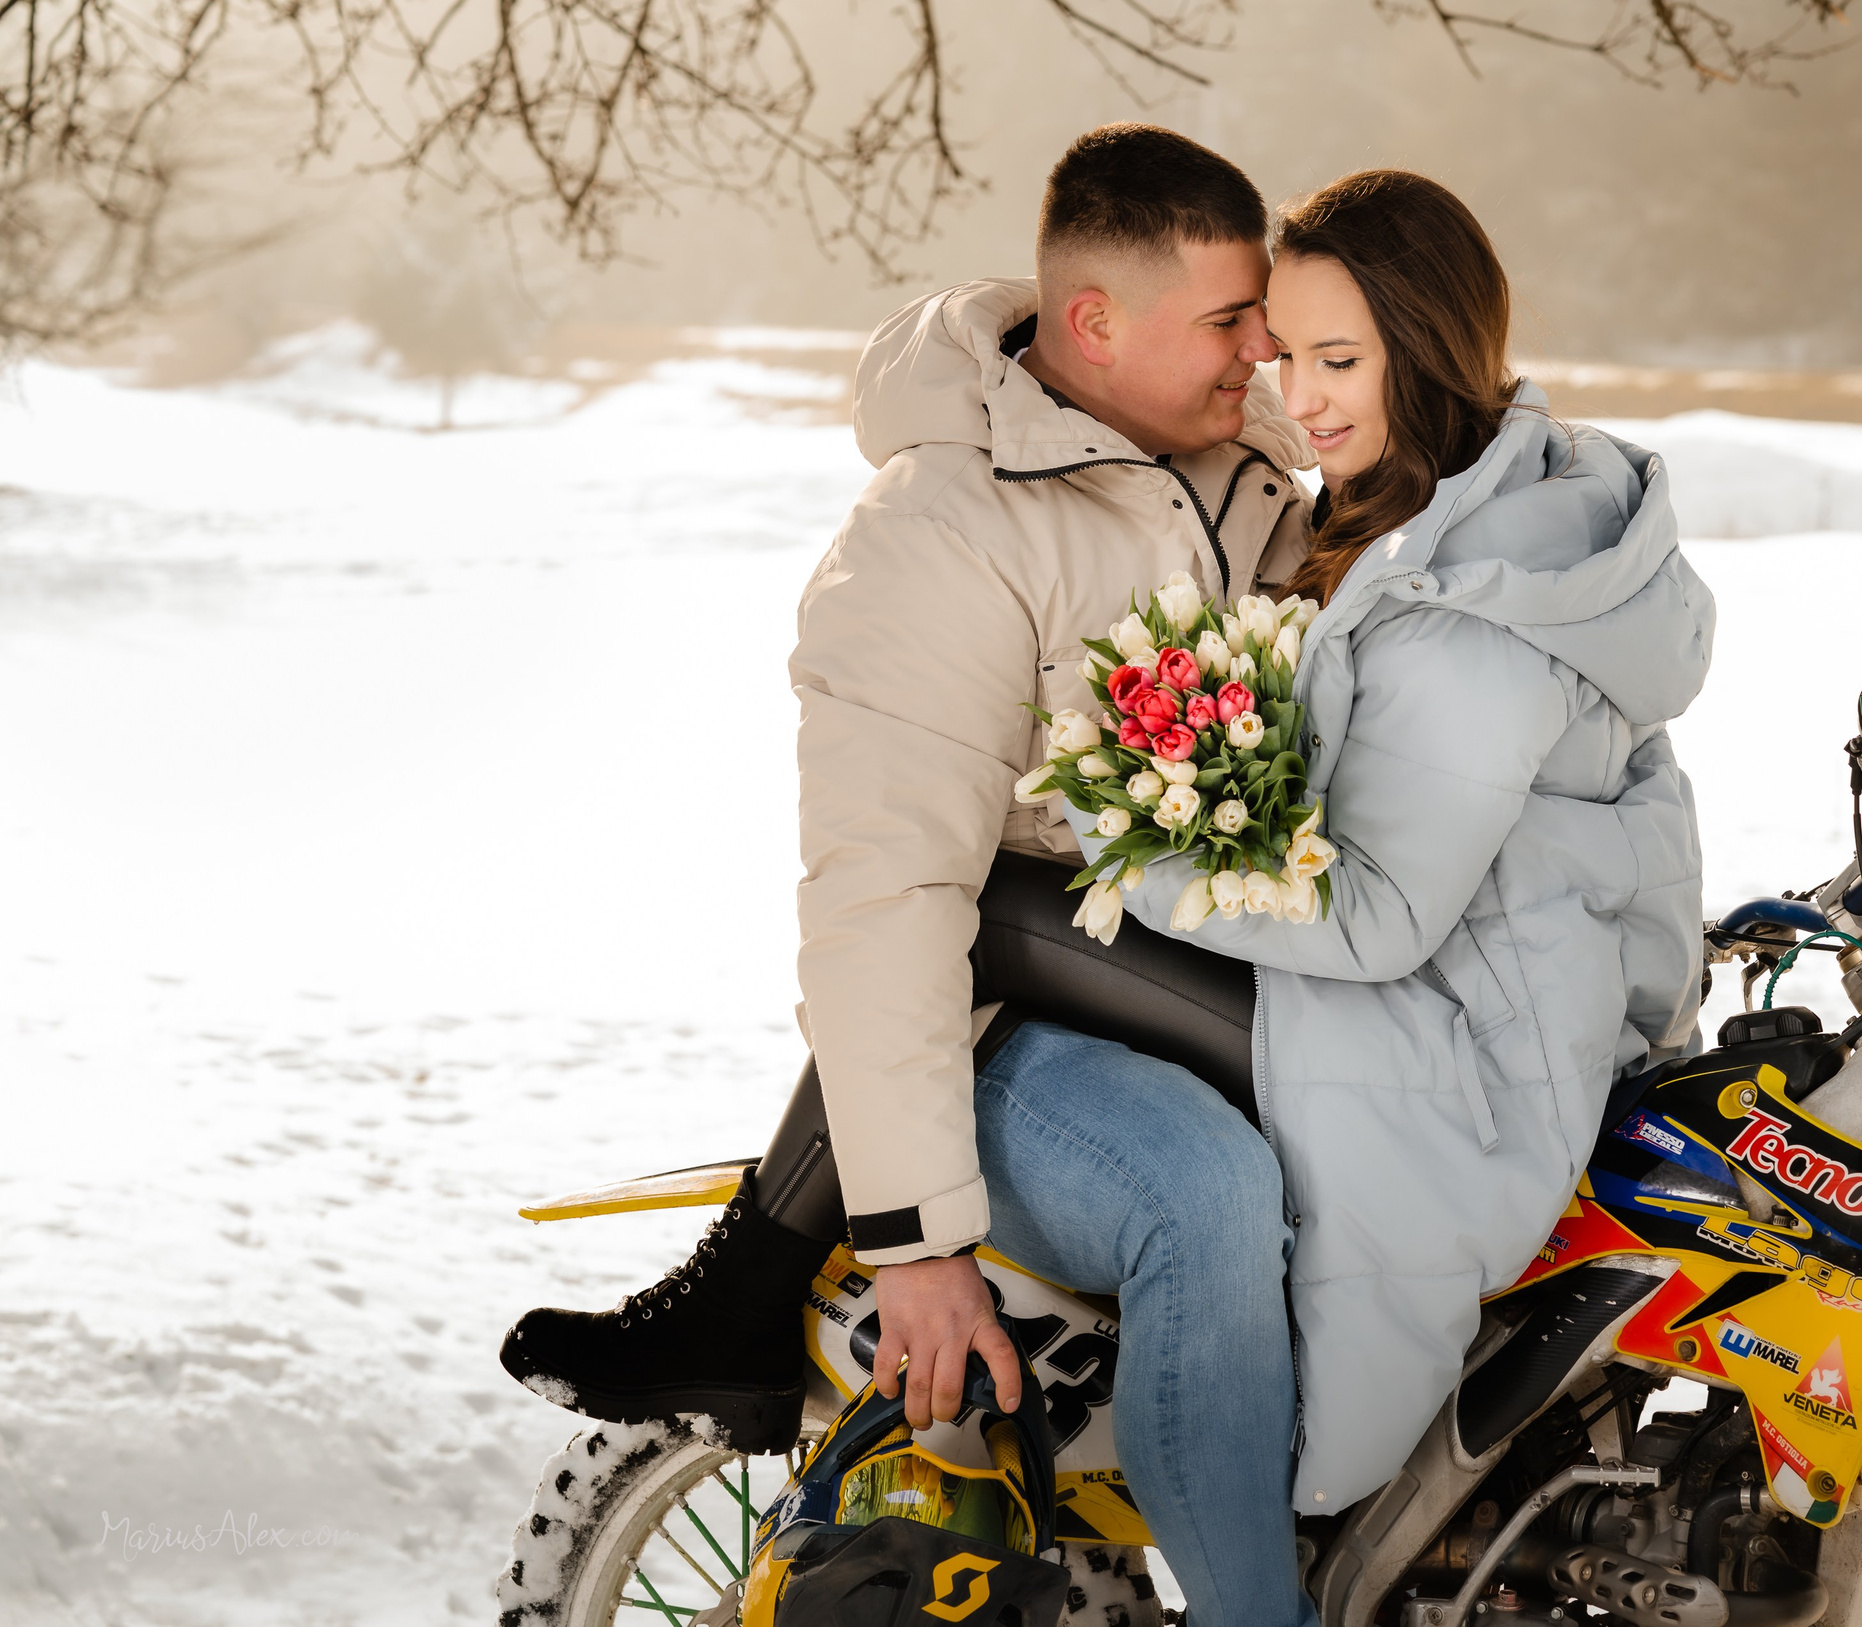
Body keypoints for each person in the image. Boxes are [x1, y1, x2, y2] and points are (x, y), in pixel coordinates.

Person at [500, 123, 1324, 1625]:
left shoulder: (1254, 469)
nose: (1260, 347)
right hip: (1013, 1040)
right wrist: (919, 1243)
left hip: (1206, 980)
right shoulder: (945, 536)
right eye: (1226, 319)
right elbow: (886, 901)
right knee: (1204, 1198)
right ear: (1094, 323)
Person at [1055, 170, 1715, 1512]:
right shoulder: (1466, 518)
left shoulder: (1470, 616)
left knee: (1012, 934)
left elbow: (1373, 916)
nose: (1300, 397)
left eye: (1340, 358)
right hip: (1483, 986)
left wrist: (1134, 846)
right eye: (1286, 356)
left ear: (1430, 342)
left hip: (1459, 1042)